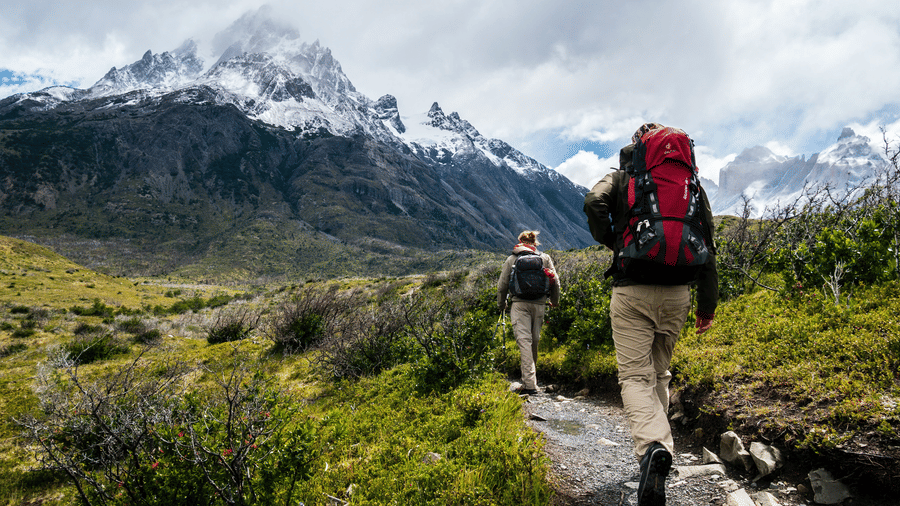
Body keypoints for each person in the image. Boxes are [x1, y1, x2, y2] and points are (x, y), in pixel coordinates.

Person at [583, 123, 718, 506]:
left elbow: (594, 203)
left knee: (634, 376)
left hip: (633, 290)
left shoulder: (624, 177)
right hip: (679, 293)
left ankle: (654, 448)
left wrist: (615, 239)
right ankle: (662, 452)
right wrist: (706, 305)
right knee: (660, 372)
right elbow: (707, 243)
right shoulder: (691, 185)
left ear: (638, 148)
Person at [497, 230, 561, 395]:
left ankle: (530, 385)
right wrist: (554, 301)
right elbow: (556, 282)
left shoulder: (512, 258)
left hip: (519, 305)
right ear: (535, 242)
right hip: (539, 304)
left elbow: (502, 285)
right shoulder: (544, 258)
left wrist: (502, 304)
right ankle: (531, 380)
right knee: (534, 341)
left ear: (519, 241)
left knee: (524, 342)